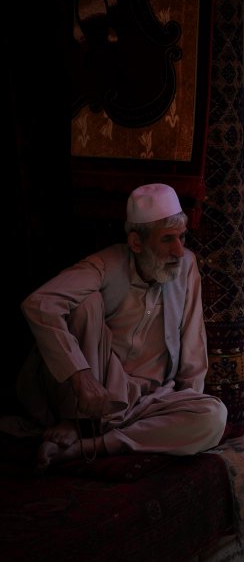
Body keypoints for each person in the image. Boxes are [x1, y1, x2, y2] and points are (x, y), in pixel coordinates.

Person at [6, 183, 228, 470]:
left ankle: (89, 446)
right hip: (98, 397)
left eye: (182, 237)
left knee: (213, 416)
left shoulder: (186, 265)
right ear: (136, 243)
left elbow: (193, 340)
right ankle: (81, 421)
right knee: (84, 304)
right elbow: (39, 304)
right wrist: (81, 378)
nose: (178, 250)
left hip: (152, 401)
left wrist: (189, 399)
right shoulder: (104, 265)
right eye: (167, 239)